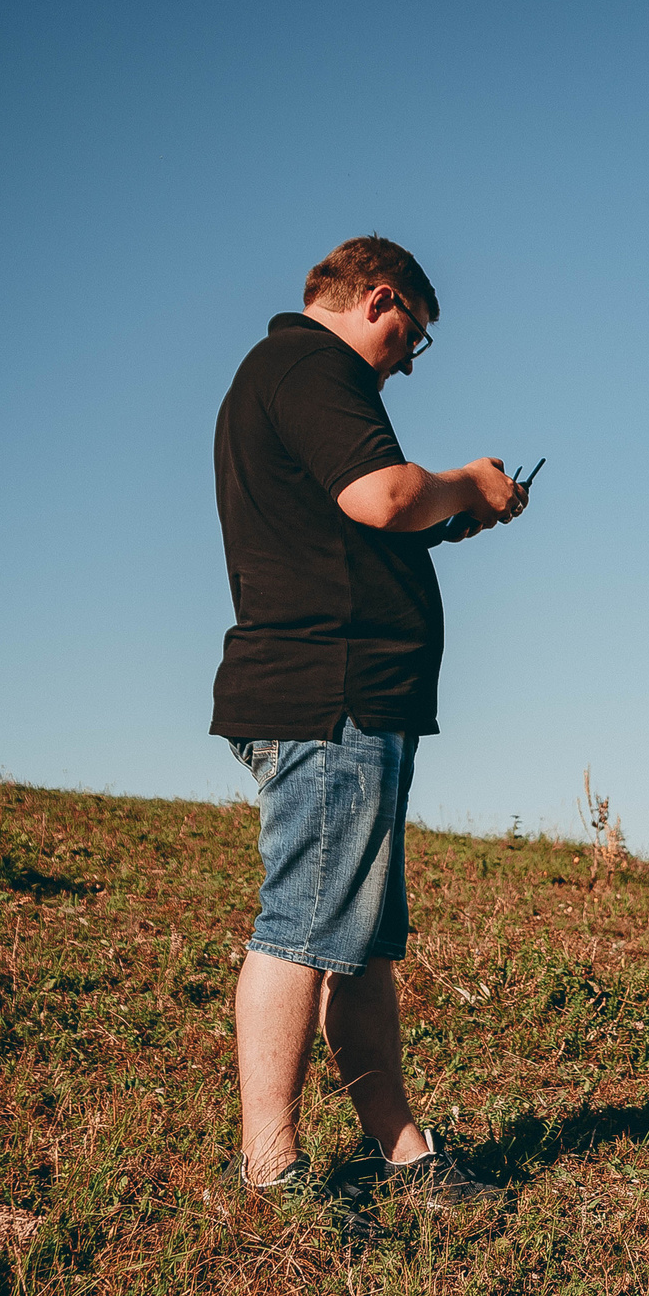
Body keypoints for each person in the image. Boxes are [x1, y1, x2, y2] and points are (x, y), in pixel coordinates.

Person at [210, 235, 522, 1229]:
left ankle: (403, 1151)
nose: (408, 362)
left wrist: (457, 517)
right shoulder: (308, 364)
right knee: (302, 929)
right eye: (411, 337)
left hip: (355, 697)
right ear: (379, 298)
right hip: (328, 694)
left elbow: (359, 519)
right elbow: (381, 496)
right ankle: (271, 1171)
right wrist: (465, 483)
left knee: (360, 944)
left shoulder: (296, 377)